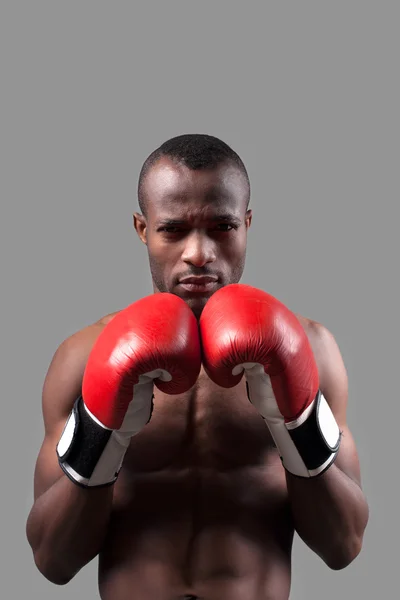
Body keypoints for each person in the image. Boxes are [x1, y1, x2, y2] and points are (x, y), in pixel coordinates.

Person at [26, 134, 369, 600]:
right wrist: (102, 433)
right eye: (173, 230)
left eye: (222, 227)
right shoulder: (84, 355)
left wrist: (296, 423)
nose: (199, 253)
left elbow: (343, 545)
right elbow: (52, 560)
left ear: (247, 224)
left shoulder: (311, 349)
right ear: (142, 228)